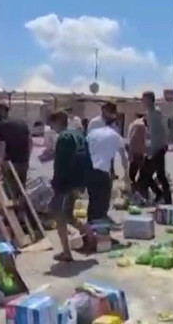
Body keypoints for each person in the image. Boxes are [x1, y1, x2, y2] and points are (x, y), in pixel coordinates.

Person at [47, 110, 93, 262]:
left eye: (52, 124)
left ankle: (66, 252)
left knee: (58, 214)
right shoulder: (78, 134)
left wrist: (56, 183)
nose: (51, 128)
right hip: (79, 181)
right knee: (68, 215)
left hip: (66, 183)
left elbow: (61, 165)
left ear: (58, 121)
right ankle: (91, 236)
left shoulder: (64, 137)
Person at [86, 102, 129, 222]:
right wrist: (127, 175)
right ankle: (98, 225)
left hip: (102, 164)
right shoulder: (95, 124)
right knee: (99, 197)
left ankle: (95, 220)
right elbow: (123, 154)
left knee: (99, 197)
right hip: (97, 164)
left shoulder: (112, 129)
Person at [138, 91, 171, 204]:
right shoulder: (149, 113)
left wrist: (153, 150)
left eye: (144, 99)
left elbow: (160, 132)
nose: (142, 101)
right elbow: (151, 133)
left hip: (158, 148)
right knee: (149, 174)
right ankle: (161, 196)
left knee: (151, 175)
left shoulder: (155, 113)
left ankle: (164, 198)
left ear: (149, 100)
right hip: (155, 148)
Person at [0, 105, 33, 198]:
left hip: (11, 162)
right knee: (21, 187)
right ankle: (22, 209)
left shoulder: (2, 125)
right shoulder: (22, 124)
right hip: (24, 161)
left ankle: (12, 210)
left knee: (9, 188)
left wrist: (1, 162)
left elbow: (2, 145)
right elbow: (30, 141)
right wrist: (28, 156)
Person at [127, 114, 147, 189]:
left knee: (133, 170)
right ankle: (137, 188)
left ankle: (134, 187)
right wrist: (143, 151)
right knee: (143, 171)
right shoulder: (140, 125)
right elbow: (138, 139)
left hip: (133, 150)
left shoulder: (133, 124)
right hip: (137, 152)